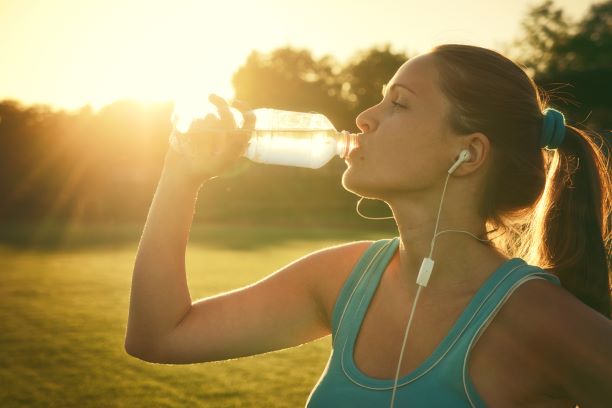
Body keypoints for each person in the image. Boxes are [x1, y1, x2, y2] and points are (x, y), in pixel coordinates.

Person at [125, 44, 612, 407]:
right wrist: (180, 174)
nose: (362, 118)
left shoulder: (538, 319)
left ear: (469, 153)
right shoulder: (342, 280)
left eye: (398, 103)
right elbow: (159, 336)